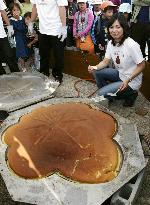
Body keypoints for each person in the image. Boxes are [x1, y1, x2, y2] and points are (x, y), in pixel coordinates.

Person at [88, 13, 145, 107]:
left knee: (100, 93)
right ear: (108, 29)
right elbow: (105, 61)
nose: (114, 30)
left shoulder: (131, 44)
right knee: (97, 72)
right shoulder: (111, 43)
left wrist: (128, 80)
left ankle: (131, 94)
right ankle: (110, 96)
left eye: (118, 27)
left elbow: (142, 65)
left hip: (131, 80)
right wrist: (95, 67)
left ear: (124, 28)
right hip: (120, 73)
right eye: (111, 27)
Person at [29, 0, 68, 83]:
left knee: (58, 55)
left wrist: (64, 27)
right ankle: (44, 72)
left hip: (57, 29)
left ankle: (57, 74)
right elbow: (35, 7)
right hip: (43, 29)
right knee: (43, 54)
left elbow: (62, 8)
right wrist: (31, 22)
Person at [0, 0, 19, 74]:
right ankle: (2, 77)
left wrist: (9, 26)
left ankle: (17, 74)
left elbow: (3, 12)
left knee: (9, 55)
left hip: (1, 33)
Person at [10, 2, 29, 72]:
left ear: (20, 10)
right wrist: (17, 19)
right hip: (17, 39)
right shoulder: (11, 20)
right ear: (11, 11)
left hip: (24, 37)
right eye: (14, 10)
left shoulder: (23, 18)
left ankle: (24, 64)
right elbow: (16, 29)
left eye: (17, 10)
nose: (16, 12)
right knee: (21, 53)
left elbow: (25, 28)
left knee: (26, 52)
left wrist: (26, 23)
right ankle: (23, 66)